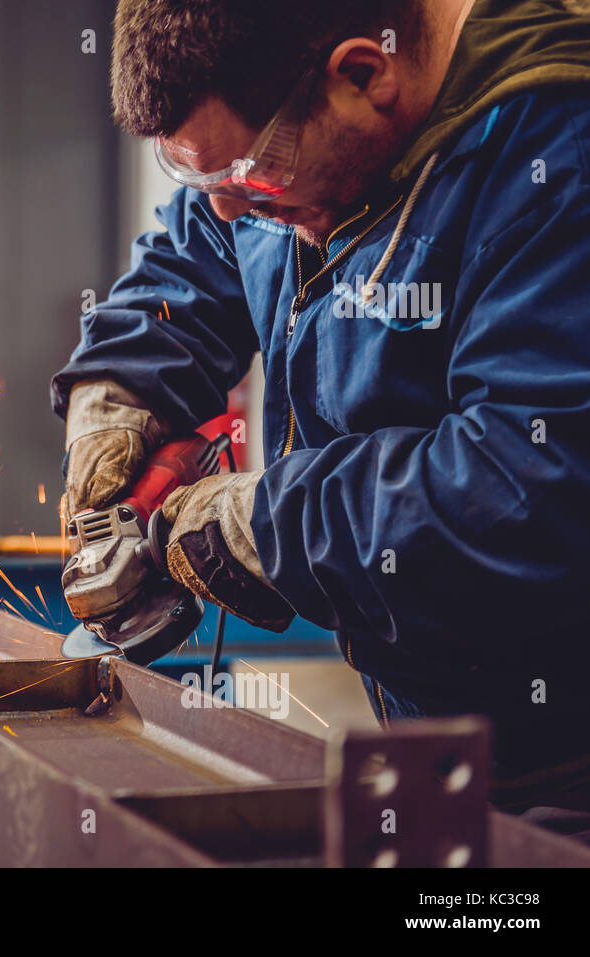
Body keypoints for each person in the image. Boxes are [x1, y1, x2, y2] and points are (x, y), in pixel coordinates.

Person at [52, 0, 590, 840]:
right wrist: (116, 391)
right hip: (435, 731)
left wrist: (264, 521)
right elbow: (196, 259)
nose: (229, 209)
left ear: (362, 76)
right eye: (199, 175)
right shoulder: (272, 150)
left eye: (249, 178)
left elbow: (529, 490)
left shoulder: (556, 153)